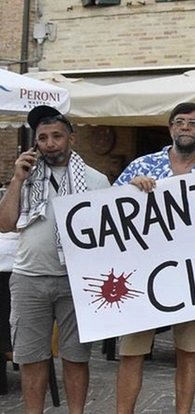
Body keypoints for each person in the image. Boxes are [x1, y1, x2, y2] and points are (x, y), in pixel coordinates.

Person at [0, 106, 109, 414]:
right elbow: (5, 223)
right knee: (32, 358)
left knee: (76, 357)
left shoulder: (97, 180)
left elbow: (110, 231)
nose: (50, 143)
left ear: (71, 138)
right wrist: (17, 179)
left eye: (57, 136)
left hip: (76, 280)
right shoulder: (26, 176)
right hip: (28, 278)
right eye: (43, 138)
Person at [114, 102, 195, 414]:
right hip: (143, 275)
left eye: (192, 123)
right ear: (171, 128)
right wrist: (130, 190)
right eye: (179, 122)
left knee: (188, 350)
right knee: (131, 352)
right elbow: (108, 211)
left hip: (192, 275)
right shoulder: (141, 166)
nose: (185, 127)